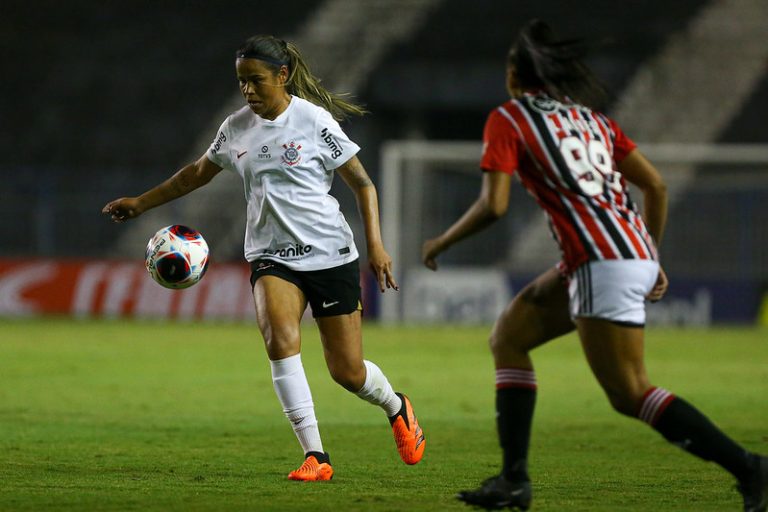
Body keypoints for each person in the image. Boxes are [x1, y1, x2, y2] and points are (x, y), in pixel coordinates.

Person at [422, 20, 767, 511]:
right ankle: (513, 481)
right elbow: (656, 186)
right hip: (623, 253)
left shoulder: (510, 118)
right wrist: (650, 252)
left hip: (600, 261)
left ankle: (750, 467)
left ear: (515, 76)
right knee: (510, 337)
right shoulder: (593, 120)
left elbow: (494, 205)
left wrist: (442, 240)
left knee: (630, 393)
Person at [103, 34, 425, 481]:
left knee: (348, 373)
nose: (248, 91)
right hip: (272, 257)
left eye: (256, 81)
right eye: (241, 83)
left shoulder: (314, 121)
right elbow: (195, 174)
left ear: (282, 76)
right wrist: (142, 202)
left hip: (331, 255)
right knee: (279, 342)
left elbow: (363, 183)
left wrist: (377, 245)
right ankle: (317, 456)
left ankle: (396, 406)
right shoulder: (236, 127)